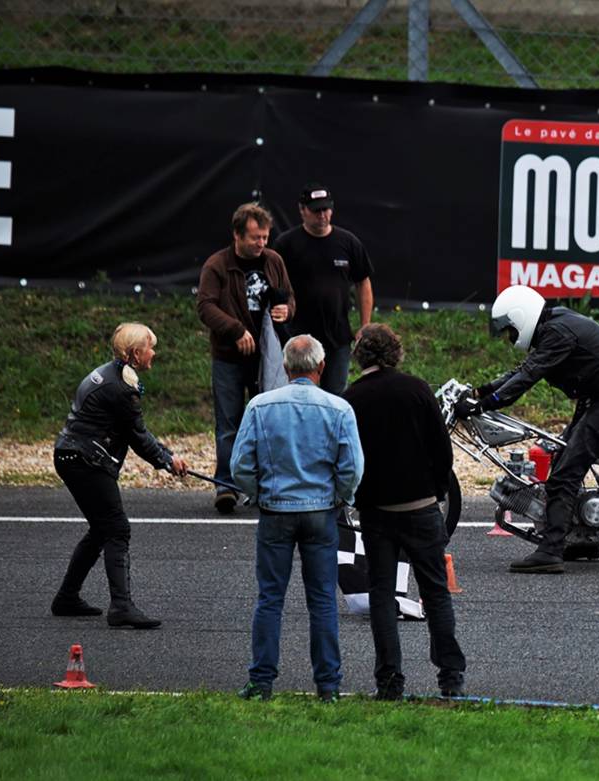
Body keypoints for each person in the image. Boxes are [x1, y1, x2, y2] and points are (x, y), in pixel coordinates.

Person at [459, 285, 599, 574]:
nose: (510, 337)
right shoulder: (553, 327)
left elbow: (527, 377)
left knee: (565, 473)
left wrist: (484, 405)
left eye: (510, 329)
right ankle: (582, 540)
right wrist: (480, 392)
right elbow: (521, 371)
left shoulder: (557, 332)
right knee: (561, 459)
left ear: (520, 317)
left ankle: (550, 550)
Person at [231, 335, 363, 703]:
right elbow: (352, 468)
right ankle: (328, 686)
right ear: (321, 367)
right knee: (322, 600)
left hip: (275, 510)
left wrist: (258, 493)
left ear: (286, 368)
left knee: (270, 597)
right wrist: (340, 497)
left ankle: (261, 682)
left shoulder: (260, 406)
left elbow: (240, 465)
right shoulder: (339, 409)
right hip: (321, 512)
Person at [343, 324, 466, 700]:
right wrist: (437, 490)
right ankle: (450, 676)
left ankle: (389, 679)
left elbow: (349, 459)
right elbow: (442, 451)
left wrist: (358, 497)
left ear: (359, 356)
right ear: (395, 352)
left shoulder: (351, 399)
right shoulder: (417, 389)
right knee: (435, 591)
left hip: (377, 511)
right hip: (421, 506)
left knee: (382, 593)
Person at [51, 323, 189, 629]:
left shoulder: (113, 373)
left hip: (74, 455)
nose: (155, 352)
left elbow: (134, 432)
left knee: (102, 529)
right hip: (84, 460)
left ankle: (66, 598)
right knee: (117, 529)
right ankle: (122, 607)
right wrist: (168, 461)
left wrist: (167, 457)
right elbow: (138, 436)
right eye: (151, 347)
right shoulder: (121, 388)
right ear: (136, 354)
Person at [198, 202, 294, 514]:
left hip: (267, 356)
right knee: (229, 423)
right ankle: (226, 486)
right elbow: (206, 307)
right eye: (255, 238)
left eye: (265, 237)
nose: (262, 243)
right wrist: (235, 330)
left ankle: (265, 484)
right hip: (228, 357)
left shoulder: (274, 261)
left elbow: (290, 297)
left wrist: (286, 310)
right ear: (237, 235)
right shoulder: (217, 265)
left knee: (268, 422)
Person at [273, 183, 375, 395]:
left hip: (336, 337)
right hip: (298, 337)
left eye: (326, 209)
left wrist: (365, 326)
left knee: (335, 396)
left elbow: (363, 282)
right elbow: (274, 284)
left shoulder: (348, 242)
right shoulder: (286, 244)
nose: (322, 215)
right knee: (297, 394)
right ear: (302, 210)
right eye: (316, 210)